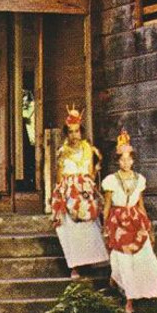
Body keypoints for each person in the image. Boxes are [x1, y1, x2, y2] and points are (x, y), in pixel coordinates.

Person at [101, 129, 157, 313]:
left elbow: (141, 205)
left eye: (129, 159)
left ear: (134, 160)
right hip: (118, 221)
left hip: (136, 220)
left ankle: (152, 292)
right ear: (117, 161)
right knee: (123, 259)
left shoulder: (140, 180)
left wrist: (148, 227)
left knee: (144, 257)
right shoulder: (111, 181)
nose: (126, 163)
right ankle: (129, 299)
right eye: (122, 159)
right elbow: (106, 206)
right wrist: (105, 227)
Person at [50, 107, 108, 278]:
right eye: (70, 132)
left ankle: (89, 262)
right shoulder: (62, 151)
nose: (74, 135)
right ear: (67, 133)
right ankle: (74, 265)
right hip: (68, 189)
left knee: (88, 226)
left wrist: (87, 185)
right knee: (70, 229)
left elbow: (90, 172)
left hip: (84, 188)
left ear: (81, 132)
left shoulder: (88, 149)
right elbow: (59, 177)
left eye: (77, 131)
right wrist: (60, 195)